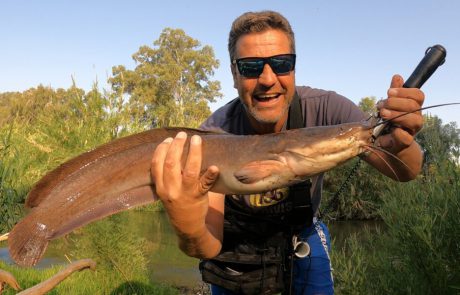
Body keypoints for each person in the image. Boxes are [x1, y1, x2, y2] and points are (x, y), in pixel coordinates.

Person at [150, 10, 424, 295]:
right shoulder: (214, 134)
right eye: (251, 67)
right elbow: (206, 246)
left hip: (301, 234)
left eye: (281, 64)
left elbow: (407, 171)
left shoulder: (330, 110)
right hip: (235, 243)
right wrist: (187, 222)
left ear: (293, 69)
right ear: (234, 75)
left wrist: (402, 144)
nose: (268, 79)